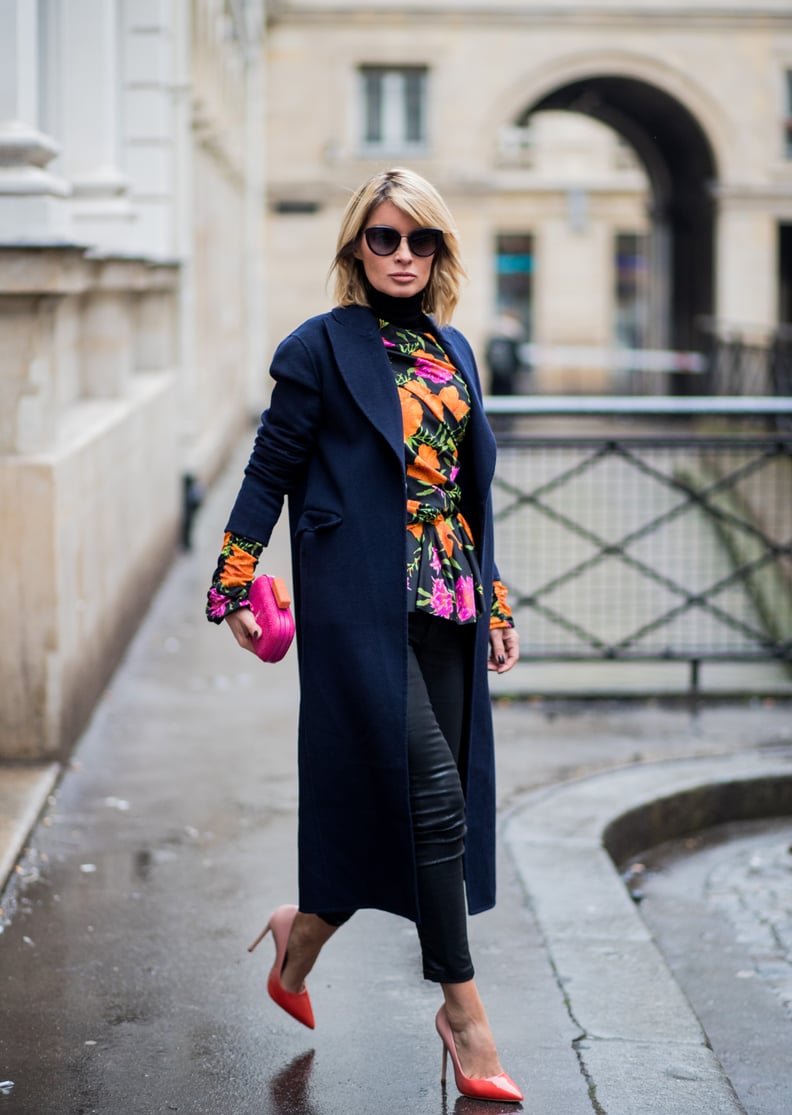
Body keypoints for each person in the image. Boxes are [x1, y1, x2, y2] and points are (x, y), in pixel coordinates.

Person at [205, 168, 522, 1103]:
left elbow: (469, 495)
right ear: (356, 247)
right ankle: (464, 1014)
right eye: (383, 239)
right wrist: (233, 582)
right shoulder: (319, 349)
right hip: (358, 605)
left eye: (418, 241)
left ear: (439, 253)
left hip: (449, 604)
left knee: (390, 805)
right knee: (430, 797)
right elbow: (270, 470)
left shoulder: (455, 350)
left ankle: (295, 941)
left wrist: (495, 603)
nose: (401, 255)